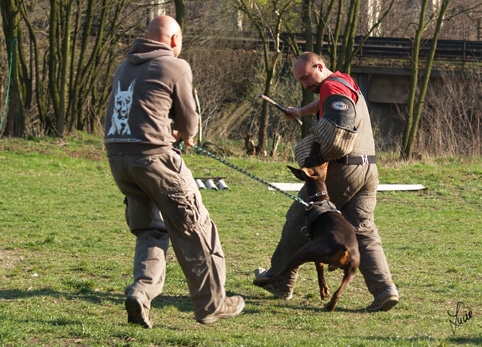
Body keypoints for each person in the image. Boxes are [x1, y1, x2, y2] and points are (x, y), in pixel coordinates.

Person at [104, 15, 244, 328]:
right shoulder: (174, 65)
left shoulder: (124, 67)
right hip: (155, 159)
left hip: (119, 159)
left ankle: (141, 292)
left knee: (152, 229)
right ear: (173, 39)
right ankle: (212, 304)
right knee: (196, 226)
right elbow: (190, 120)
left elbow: (123, 111)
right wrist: (185, 133)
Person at [254, 51, 399, 312]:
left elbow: (340, 118)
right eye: (300, 80)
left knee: (299, 218)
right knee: (362, 229)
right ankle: (384, 289)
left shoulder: (332, 87)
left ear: (319, 66)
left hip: (342, 170)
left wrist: (320, 145)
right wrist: (302, 110)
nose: (305, 84)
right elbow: (330, 100)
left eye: (307, 77)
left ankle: (280, 280)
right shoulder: (343, 80)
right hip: (368, 168)